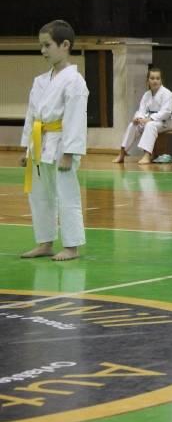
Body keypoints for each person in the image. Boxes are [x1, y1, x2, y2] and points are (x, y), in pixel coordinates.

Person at [19, 20, 88, 261]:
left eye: (47, 45)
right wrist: (26, 148)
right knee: (39, 196)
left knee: (67, 196)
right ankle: (45, 242)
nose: (43, 50)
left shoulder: (74, 81)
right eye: (41, 46)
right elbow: (31, 115)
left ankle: (72, 246)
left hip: (61, 144)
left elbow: (76, 118)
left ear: (65, 45)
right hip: (39, 143)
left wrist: (70, 152)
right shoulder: (40, 80)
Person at [112, 67, 172, 165]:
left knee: (150, 125)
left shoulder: (167, 94)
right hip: (150, 119)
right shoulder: (147, 94)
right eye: (152, 78)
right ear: (148, 80)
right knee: (133, 125)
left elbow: (166, 112)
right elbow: (141, 110)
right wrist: (138, 118)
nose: (155, 81)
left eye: (157, 78)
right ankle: (122, 153)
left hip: (167, 121)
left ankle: (147, 155)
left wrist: (150, 119)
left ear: (161, 80)